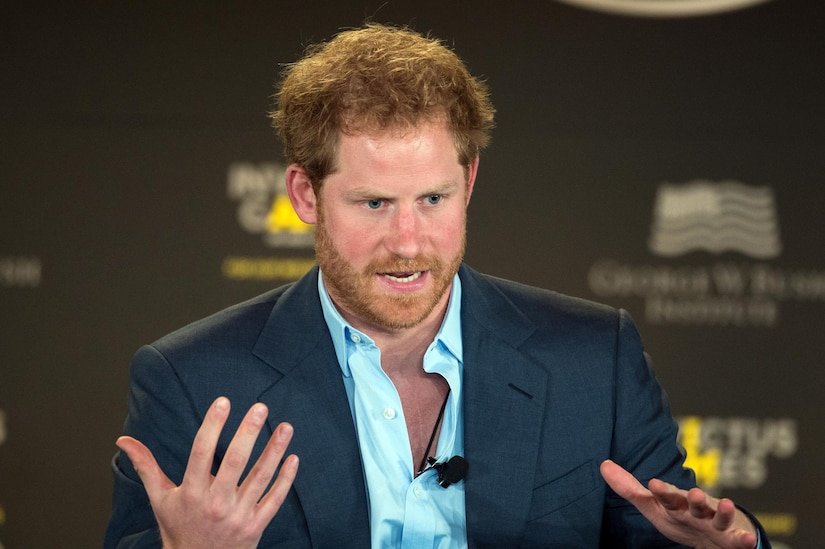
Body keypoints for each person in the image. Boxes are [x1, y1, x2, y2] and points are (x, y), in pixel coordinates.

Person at [105, 23, 769, 549]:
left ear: (469, 182)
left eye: (431, 198)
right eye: (373, 203)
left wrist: (733, 544)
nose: (407, 241)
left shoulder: (595, 357)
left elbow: (675, 533)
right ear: (305, 194)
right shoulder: (192, 379)